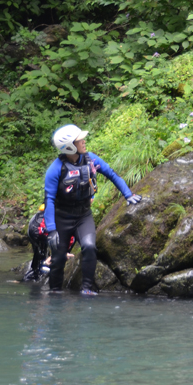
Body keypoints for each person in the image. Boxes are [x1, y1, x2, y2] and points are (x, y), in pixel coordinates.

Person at [44, 124, 142, 295]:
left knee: (89, 247)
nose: (84, 141)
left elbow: (112, 174)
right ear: (69, 146)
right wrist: (52, 230)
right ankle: (54, 293)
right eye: (79, 139)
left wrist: (128, 194)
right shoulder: (55, 169)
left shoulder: (91, 160)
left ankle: (87, 289)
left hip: (83, 216)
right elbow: (49, 200)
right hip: (61, 219)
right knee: (59, 258)